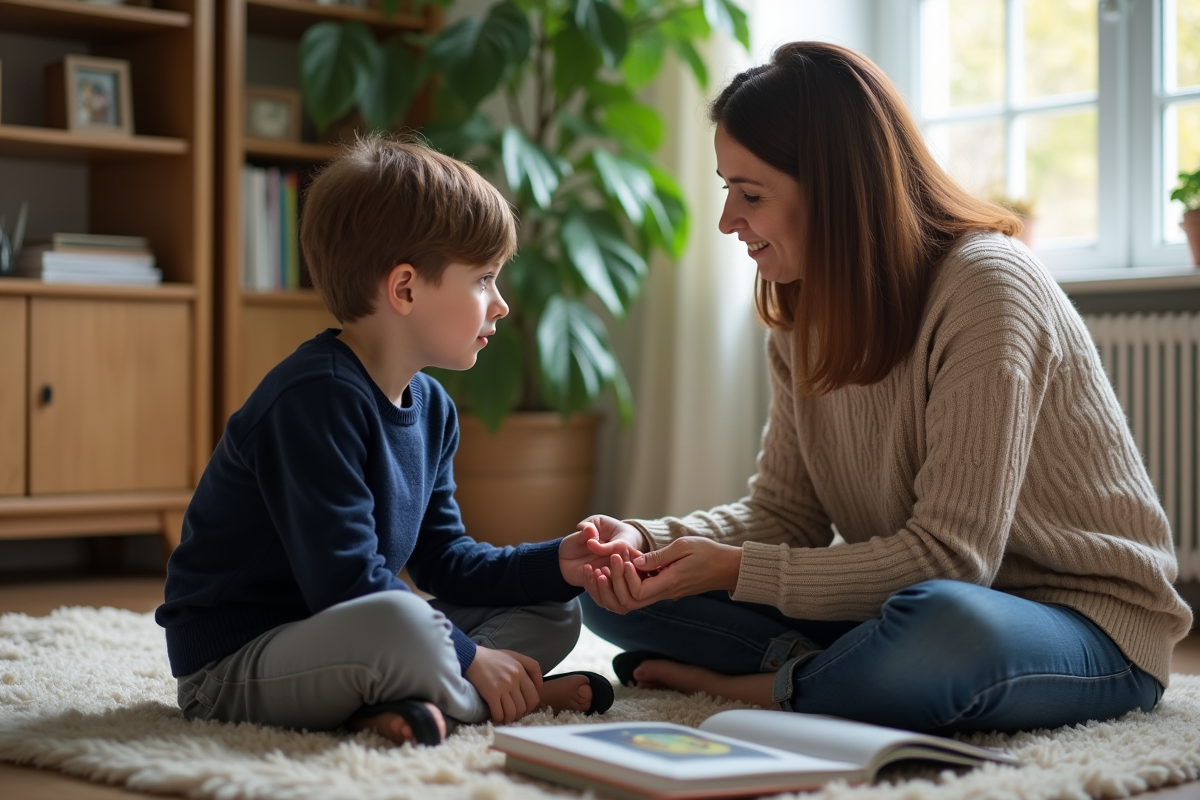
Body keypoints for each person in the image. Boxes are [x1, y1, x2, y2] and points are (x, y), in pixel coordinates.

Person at [574, 41, 1193, 735]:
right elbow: (786, 516)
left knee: (944, 628)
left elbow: (953, 560)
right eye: (728, 190)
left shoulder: (989, 286)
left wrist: (736, 570)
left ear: (836, 188)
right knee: (613, 597)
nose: (728, 221)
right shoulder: (802, 311)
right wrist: (648, 543)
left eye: (750, 195)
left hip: (1083, 622)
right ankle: (824, 673)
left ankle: (769, 683)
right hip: (915, 601)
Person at [155, 134, 624, 748]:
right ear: (404, 289)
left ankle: (420, 702)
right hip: (236, 666)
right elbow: (346, 581)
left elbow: (444, 560)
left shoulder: (433, 409)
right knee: (401, 619)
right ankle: (497, 697)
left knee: (555, 608)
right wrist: (470, 657)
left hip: (351, 636)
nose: (501, 305)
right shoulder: (313, 399)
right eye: (483, 280)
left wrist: (555, 563)